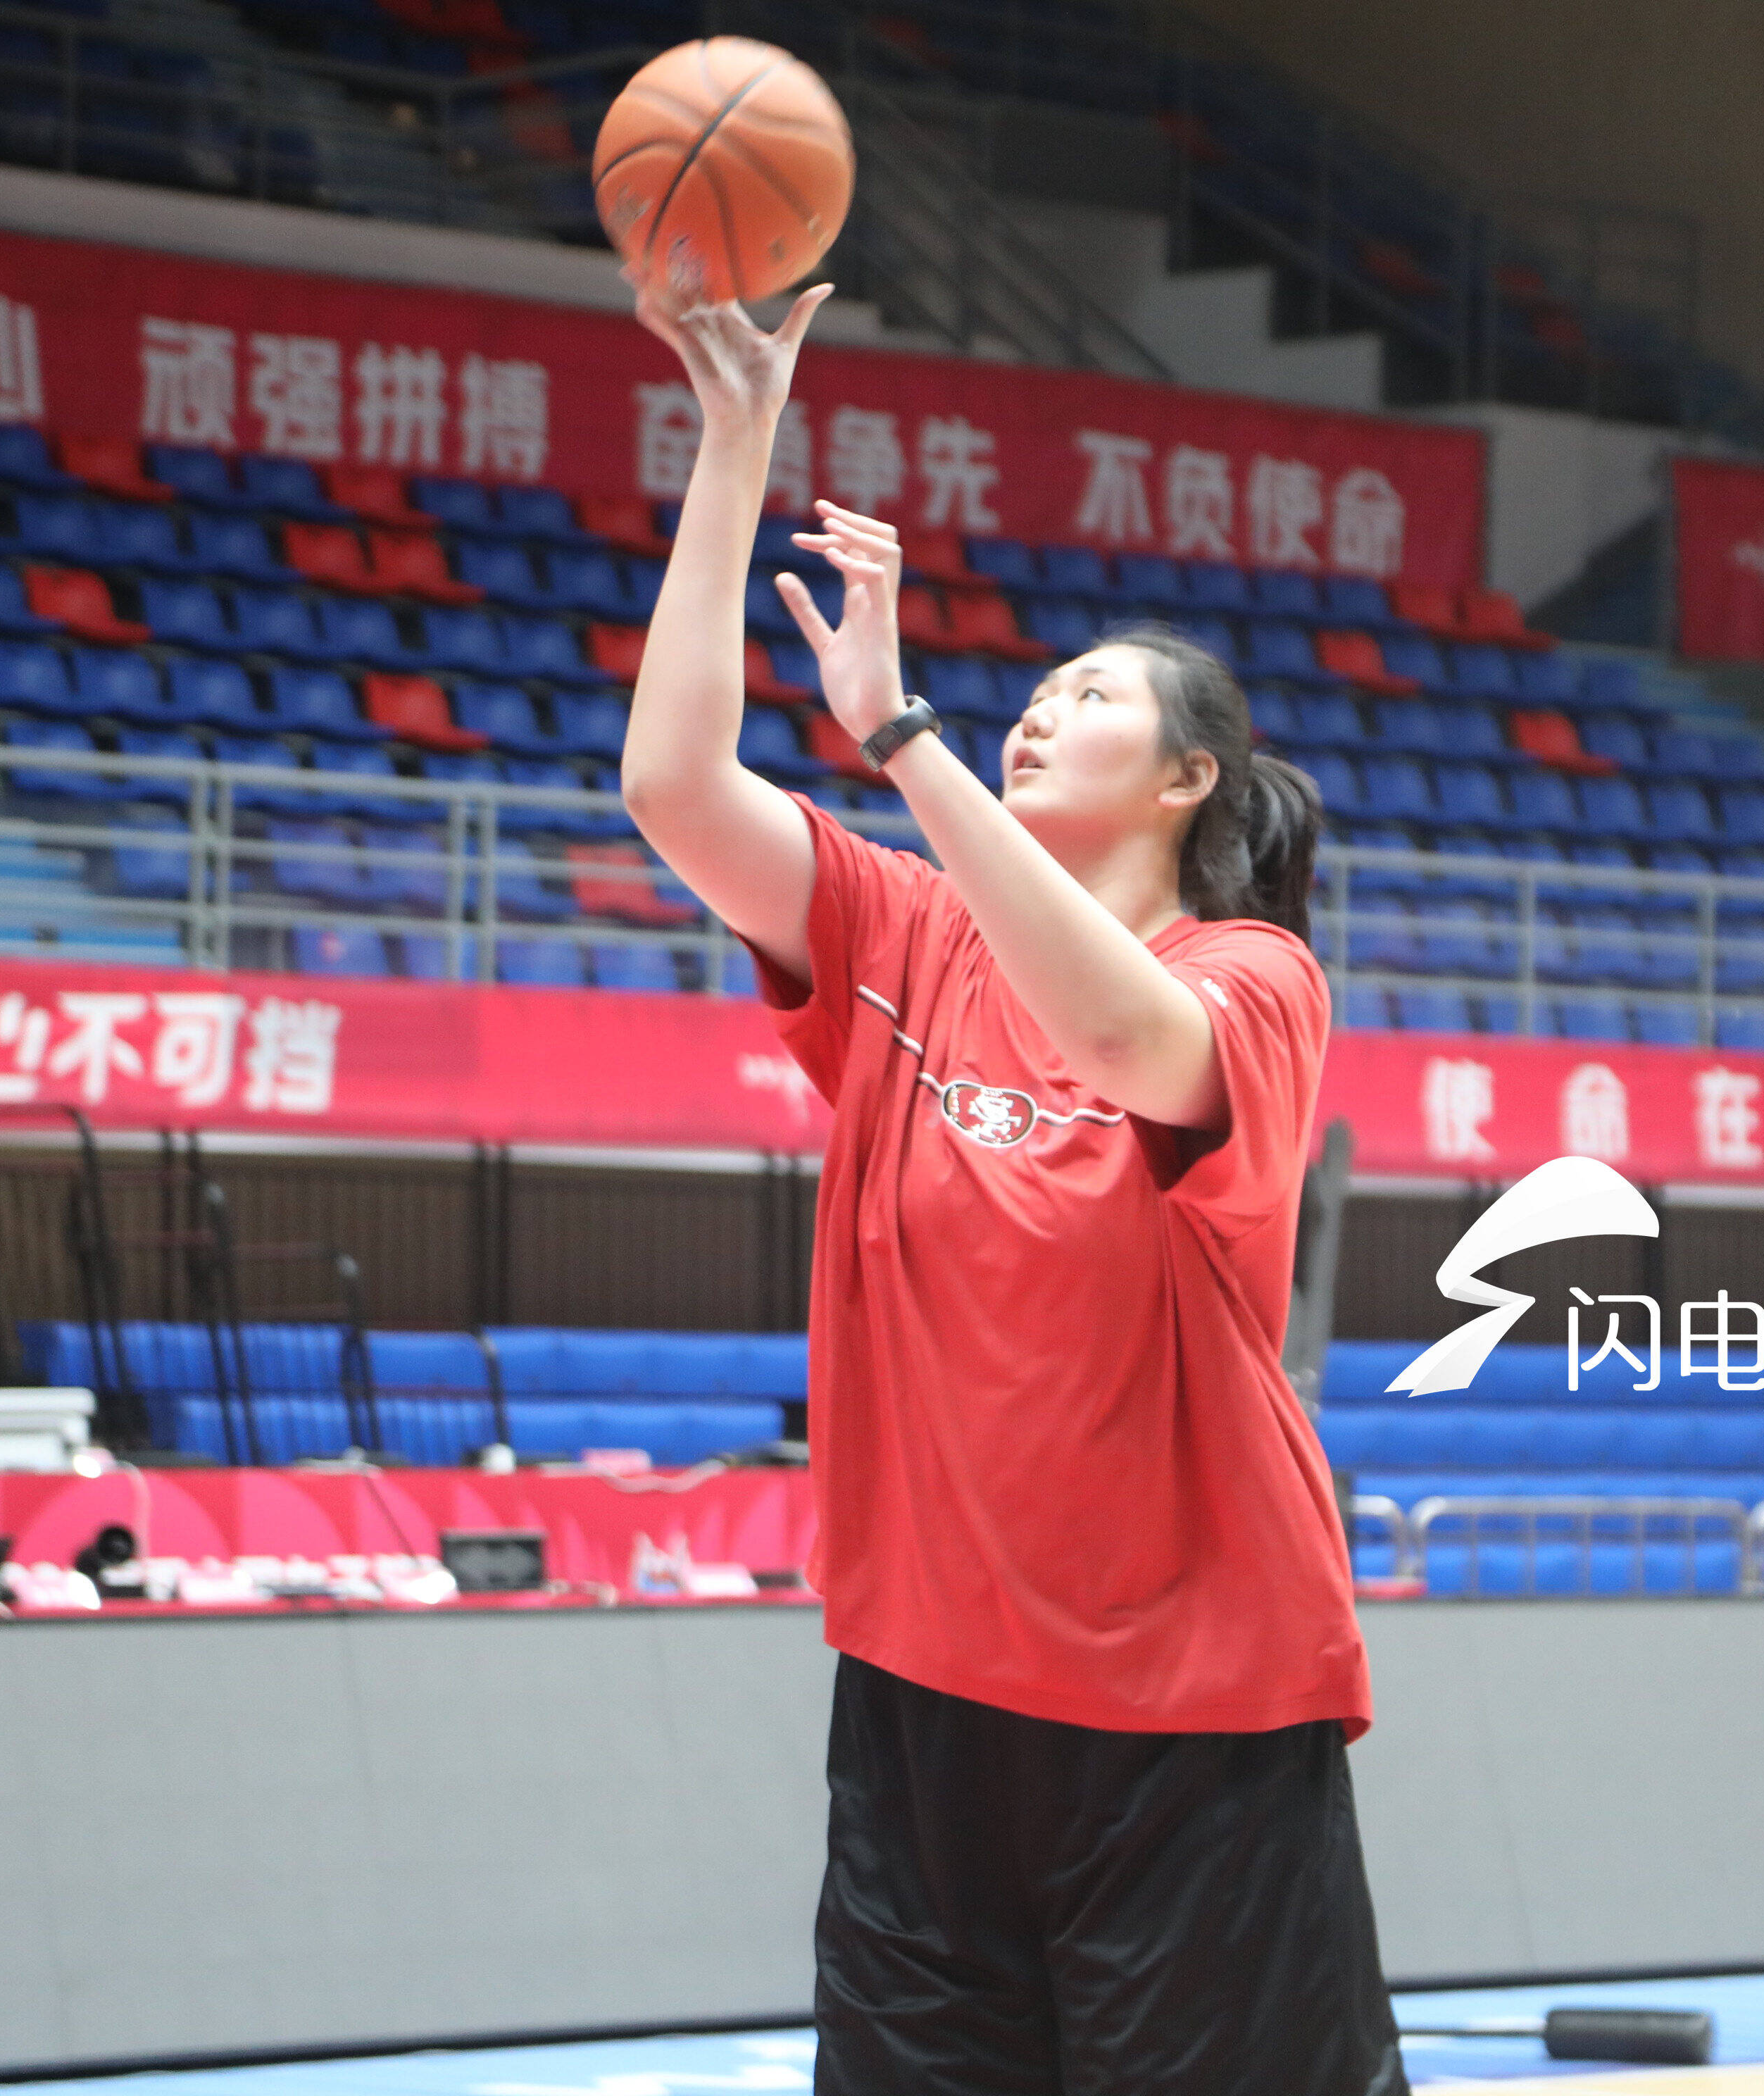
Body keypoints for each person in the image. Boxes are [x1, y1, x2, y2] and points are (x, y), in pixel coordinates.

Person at [618, 277, 1408, 2096]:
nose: (1039, 716)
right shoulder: (900, 935)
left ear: (1190, 776)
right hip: (926, 1703)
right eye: (1032, 699)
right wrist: (735, 445)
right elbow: (671, 784)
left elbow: (1127, 1043)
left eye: (1088, 698)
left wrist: (905, 738)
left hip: (1194, 1716)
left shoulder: (1255, 982)